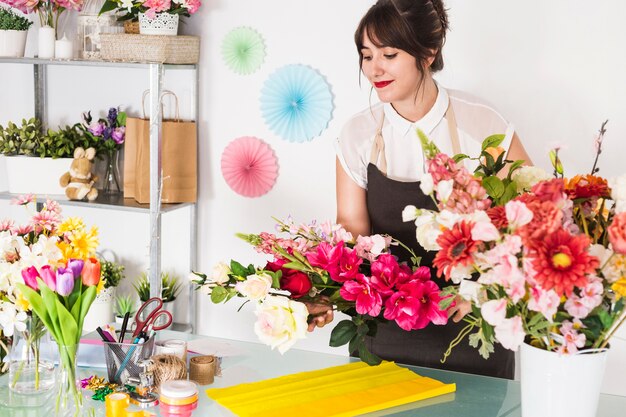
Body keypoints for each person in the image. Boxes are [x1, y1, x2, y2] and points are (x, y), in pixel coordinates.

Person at [312, 0, 532, 380]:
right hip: (383, 330)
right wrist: (323, 290)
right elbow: (350, 225)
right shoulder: (357, 134)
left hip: (469, 326)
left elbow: (528, 220)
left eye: (389, 54)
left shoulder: (481, 124)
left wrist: (482, 291)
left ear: (427, 53)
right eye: (366, 56)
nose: (373, 68)